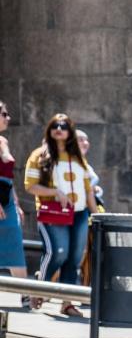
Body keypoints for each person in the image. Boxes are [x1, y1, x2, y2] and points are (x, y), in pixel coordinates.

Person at [24, 113, 96, 318]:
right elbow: (30, 186)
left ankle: (67, 303)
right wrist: (55, 193)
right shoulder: (40, 154)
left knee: (74, 259)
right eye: (55, 125)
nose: (59, 129)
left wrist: (98, 214)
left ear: (69, 131)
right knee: (58, 254)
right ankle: (39, 291)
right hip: (53, 213)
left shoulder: (77, 158)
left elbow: (88, 190)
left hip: (79, 213)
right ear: (50, 129)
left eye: (64, 126)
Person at [0, 100, 33, 308]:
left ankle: (26, 294)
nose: (8, 117)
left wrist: (17, 203)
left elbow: (7, 175)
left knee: (14, 243)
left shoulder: (3, 140)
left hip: (7, 198)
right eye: (4, 114)